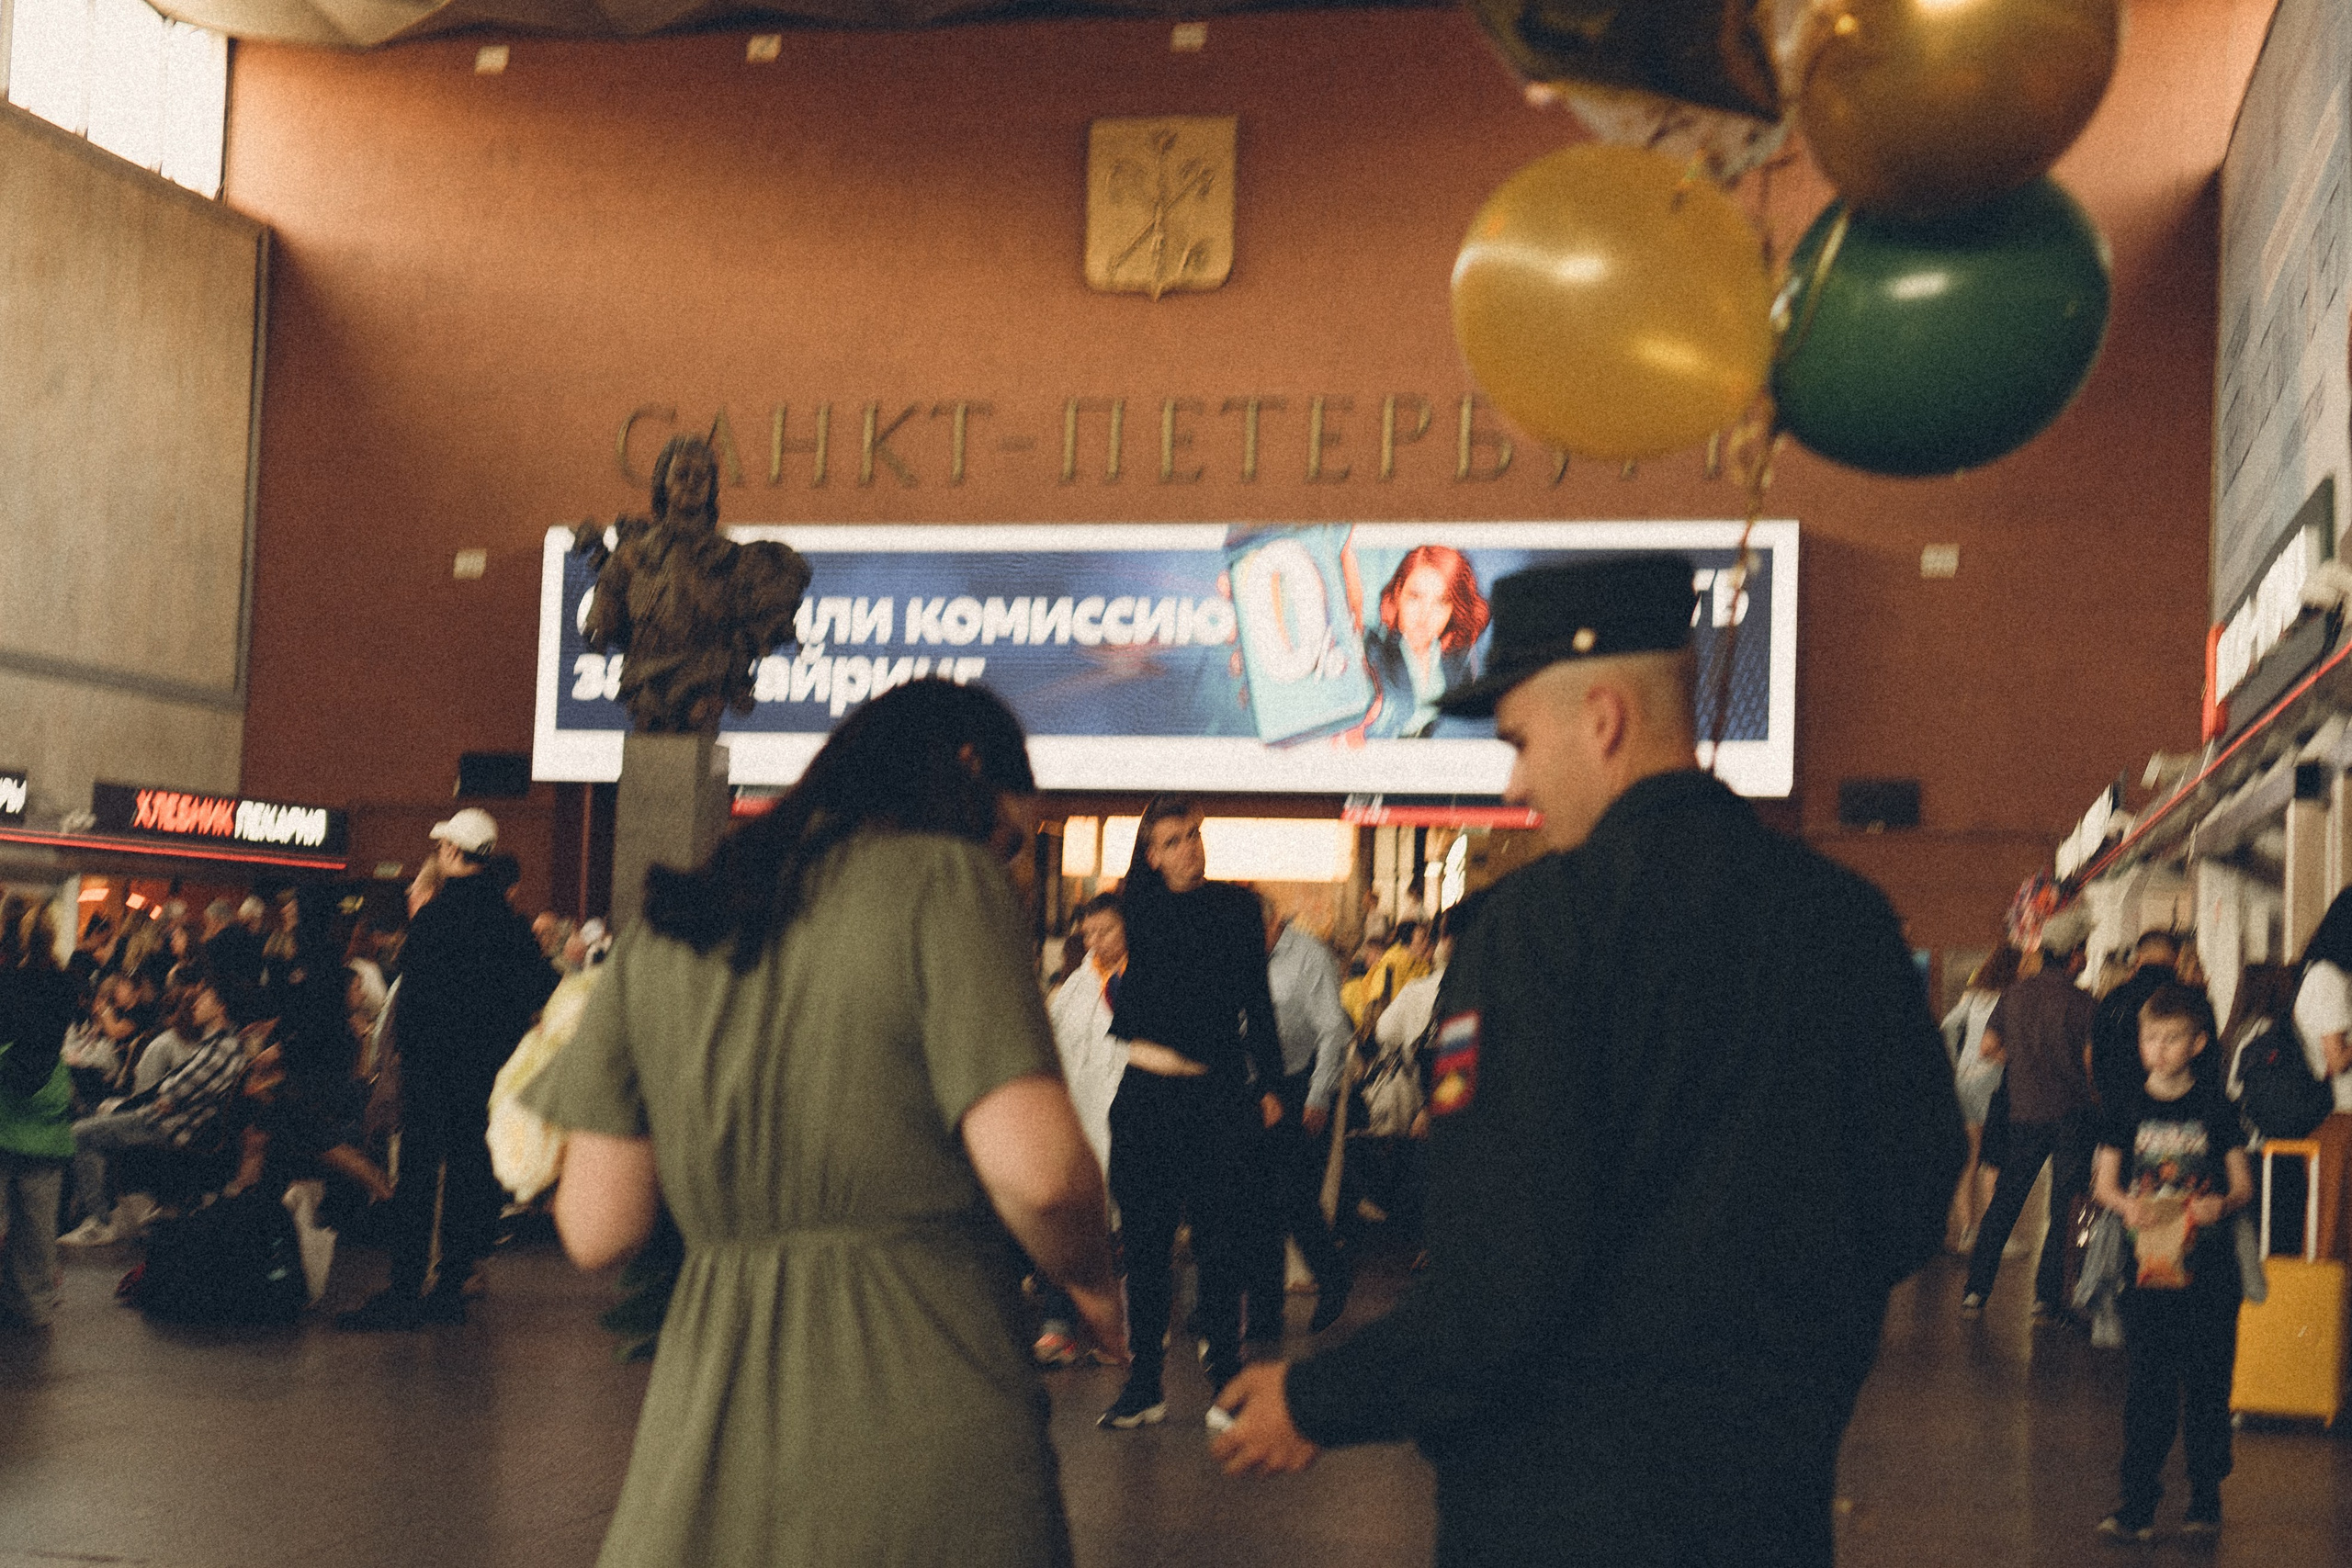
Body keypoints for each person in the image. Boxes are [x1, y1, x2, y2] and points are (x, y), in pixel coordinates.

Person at [1209, 554, 1963, 1568]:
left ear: (1602, 719)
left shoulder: (1539, 933)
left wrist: (1314, 1398)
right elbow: (1913, 1194)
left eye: (1519, 741)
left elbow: (1497, 1276)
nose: (1515, 779)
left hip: (1551, 1514)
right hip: (1767, 1508)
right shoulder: (1848, 921)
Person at [525, 679, 1123, 1568]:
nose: (1009, 865)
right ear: (966, 768)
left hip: (706, 1435)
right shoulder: (944, 880)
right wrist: (1097, 1288)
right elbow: (1038, 1172)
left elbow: (595, 1225)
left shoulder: (669, 927)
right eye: (1009, 839)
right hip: (926, 1402)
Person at [1100, 795, 1285, 1429]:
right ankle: (1144, 1381)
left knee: (1220, 1241)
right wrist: (1154, 808)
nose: (1191, 848)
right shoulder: (1141, 908)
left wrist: (1275, 1088)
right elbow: (1132, 876)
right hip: (1148, 1095)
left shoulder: (1237, 907)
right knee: (1146, 1245)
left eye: (1196, 835)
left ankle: (1226, 1379)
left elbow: (1257, 1003)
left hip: (1216, 1096)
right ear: (1151, 856)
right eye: (1174, 840)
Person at [338, 807, 557, 1329]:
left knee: (416, 1175)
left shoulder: (434, 918)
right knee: (468, 1172)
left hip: (431, 1071)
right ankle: (453, 1284)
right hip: (482, 1074)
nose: (438, 854)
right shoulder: (509, 923)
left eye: (442, 848)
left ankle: (405, 1284)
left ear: (456, 853)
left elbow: (412, 1000)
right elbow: (540, 989)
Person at [2089, 980, 2253, 1542]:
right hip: (2147, 1271)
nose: (2158, 1048)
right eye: (2149, 1037)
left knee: (2209, 1386)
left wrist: (2221, 1203)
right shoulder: (2125, 1106)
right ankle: (2137, 1501)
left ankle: (2204, 1499)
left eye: (2172, 1038)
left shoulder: (2216, 1107)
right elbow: (2104, 1184)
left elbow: (2242, 1184)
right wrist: (2125, 1203)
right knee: (2148, 1388)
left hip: (2209, 1271)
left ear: (2199, 1043)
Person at [1960, 926, 2098, 1320]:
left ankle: (1975, 1291)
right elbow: (2090, 1064)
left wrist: (2020, 1062)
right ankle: (2044, 1297)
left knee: (2005, 1202)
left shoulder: (2013, 995)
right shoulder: (2084, 1003)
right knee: (2063, 1208)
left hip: (2022, 1114)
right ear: (2073, 955)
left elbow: (1988, 1048)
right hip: (2072, 1116)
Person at [1249, 894, 1354, 1337]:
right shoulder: (1242, 957)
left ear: (1275, 923)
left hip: (1299, 1080)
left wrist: (1318, 1095)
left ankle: (1332, 1275)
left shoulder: (1309, 956)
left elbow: (1333, 1029)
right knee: (1256, 1202)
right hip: (1253, 1084)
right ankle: (1264, 1312)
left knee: (1291, 1195)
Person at [1035, 892, 1130, 1365]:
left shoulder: (1147, 977)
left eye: (1106, 931)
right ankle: (1060, 1326)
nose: (1095, 942)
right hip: (1079, 1118)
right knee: (1071, 1220)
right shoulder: (1073, 987)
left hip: (1129, 1120)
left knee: (1123, 1229)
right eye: (1088, 934)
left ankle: (1118, 1333)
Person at [1, 897, 80, 1329]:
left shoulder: (5, 980)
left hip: (3, 1106)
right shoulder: (68, 982)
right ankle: (31, 1305)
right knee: (36, 1225)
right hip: (47, 1109)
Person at [1363, 544, 1490, 739]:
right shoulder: (1371, 650)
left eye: (1441, 602)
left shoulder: (1458, 658)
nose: (1425, 615)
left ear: (1453, 609)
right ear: (1398, 594)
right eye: (1415, 597)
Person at [1941, 943, 2021, 1253]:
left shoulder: (1973, 996)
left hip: (1965, 1080)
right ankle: (1996, 1234)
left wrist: (1957, 1059)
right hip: (1994, 1080)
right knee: (1995, 1161)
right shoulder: (2010, 998)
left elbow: (1948, 1025)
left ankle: (1967, 1230)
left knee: (1970, 1159)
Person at [2287, 887, 2352, 1259]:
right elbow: (2337, 1058)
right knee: (2332, 1233)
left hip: (2337, 1117)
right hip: (2338, 1117)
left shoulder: (2324, 975)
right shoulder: (2328, 979)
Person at [2091, 930, 2180, 1112]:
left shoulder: (2114, 998)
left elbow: (2094, 1052)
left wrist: (2104, 1095)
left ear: (2138, 957)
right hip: (2175, 1110)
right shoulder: (2189, 1001)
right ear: (2176, 960)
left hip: (2119, 1106)